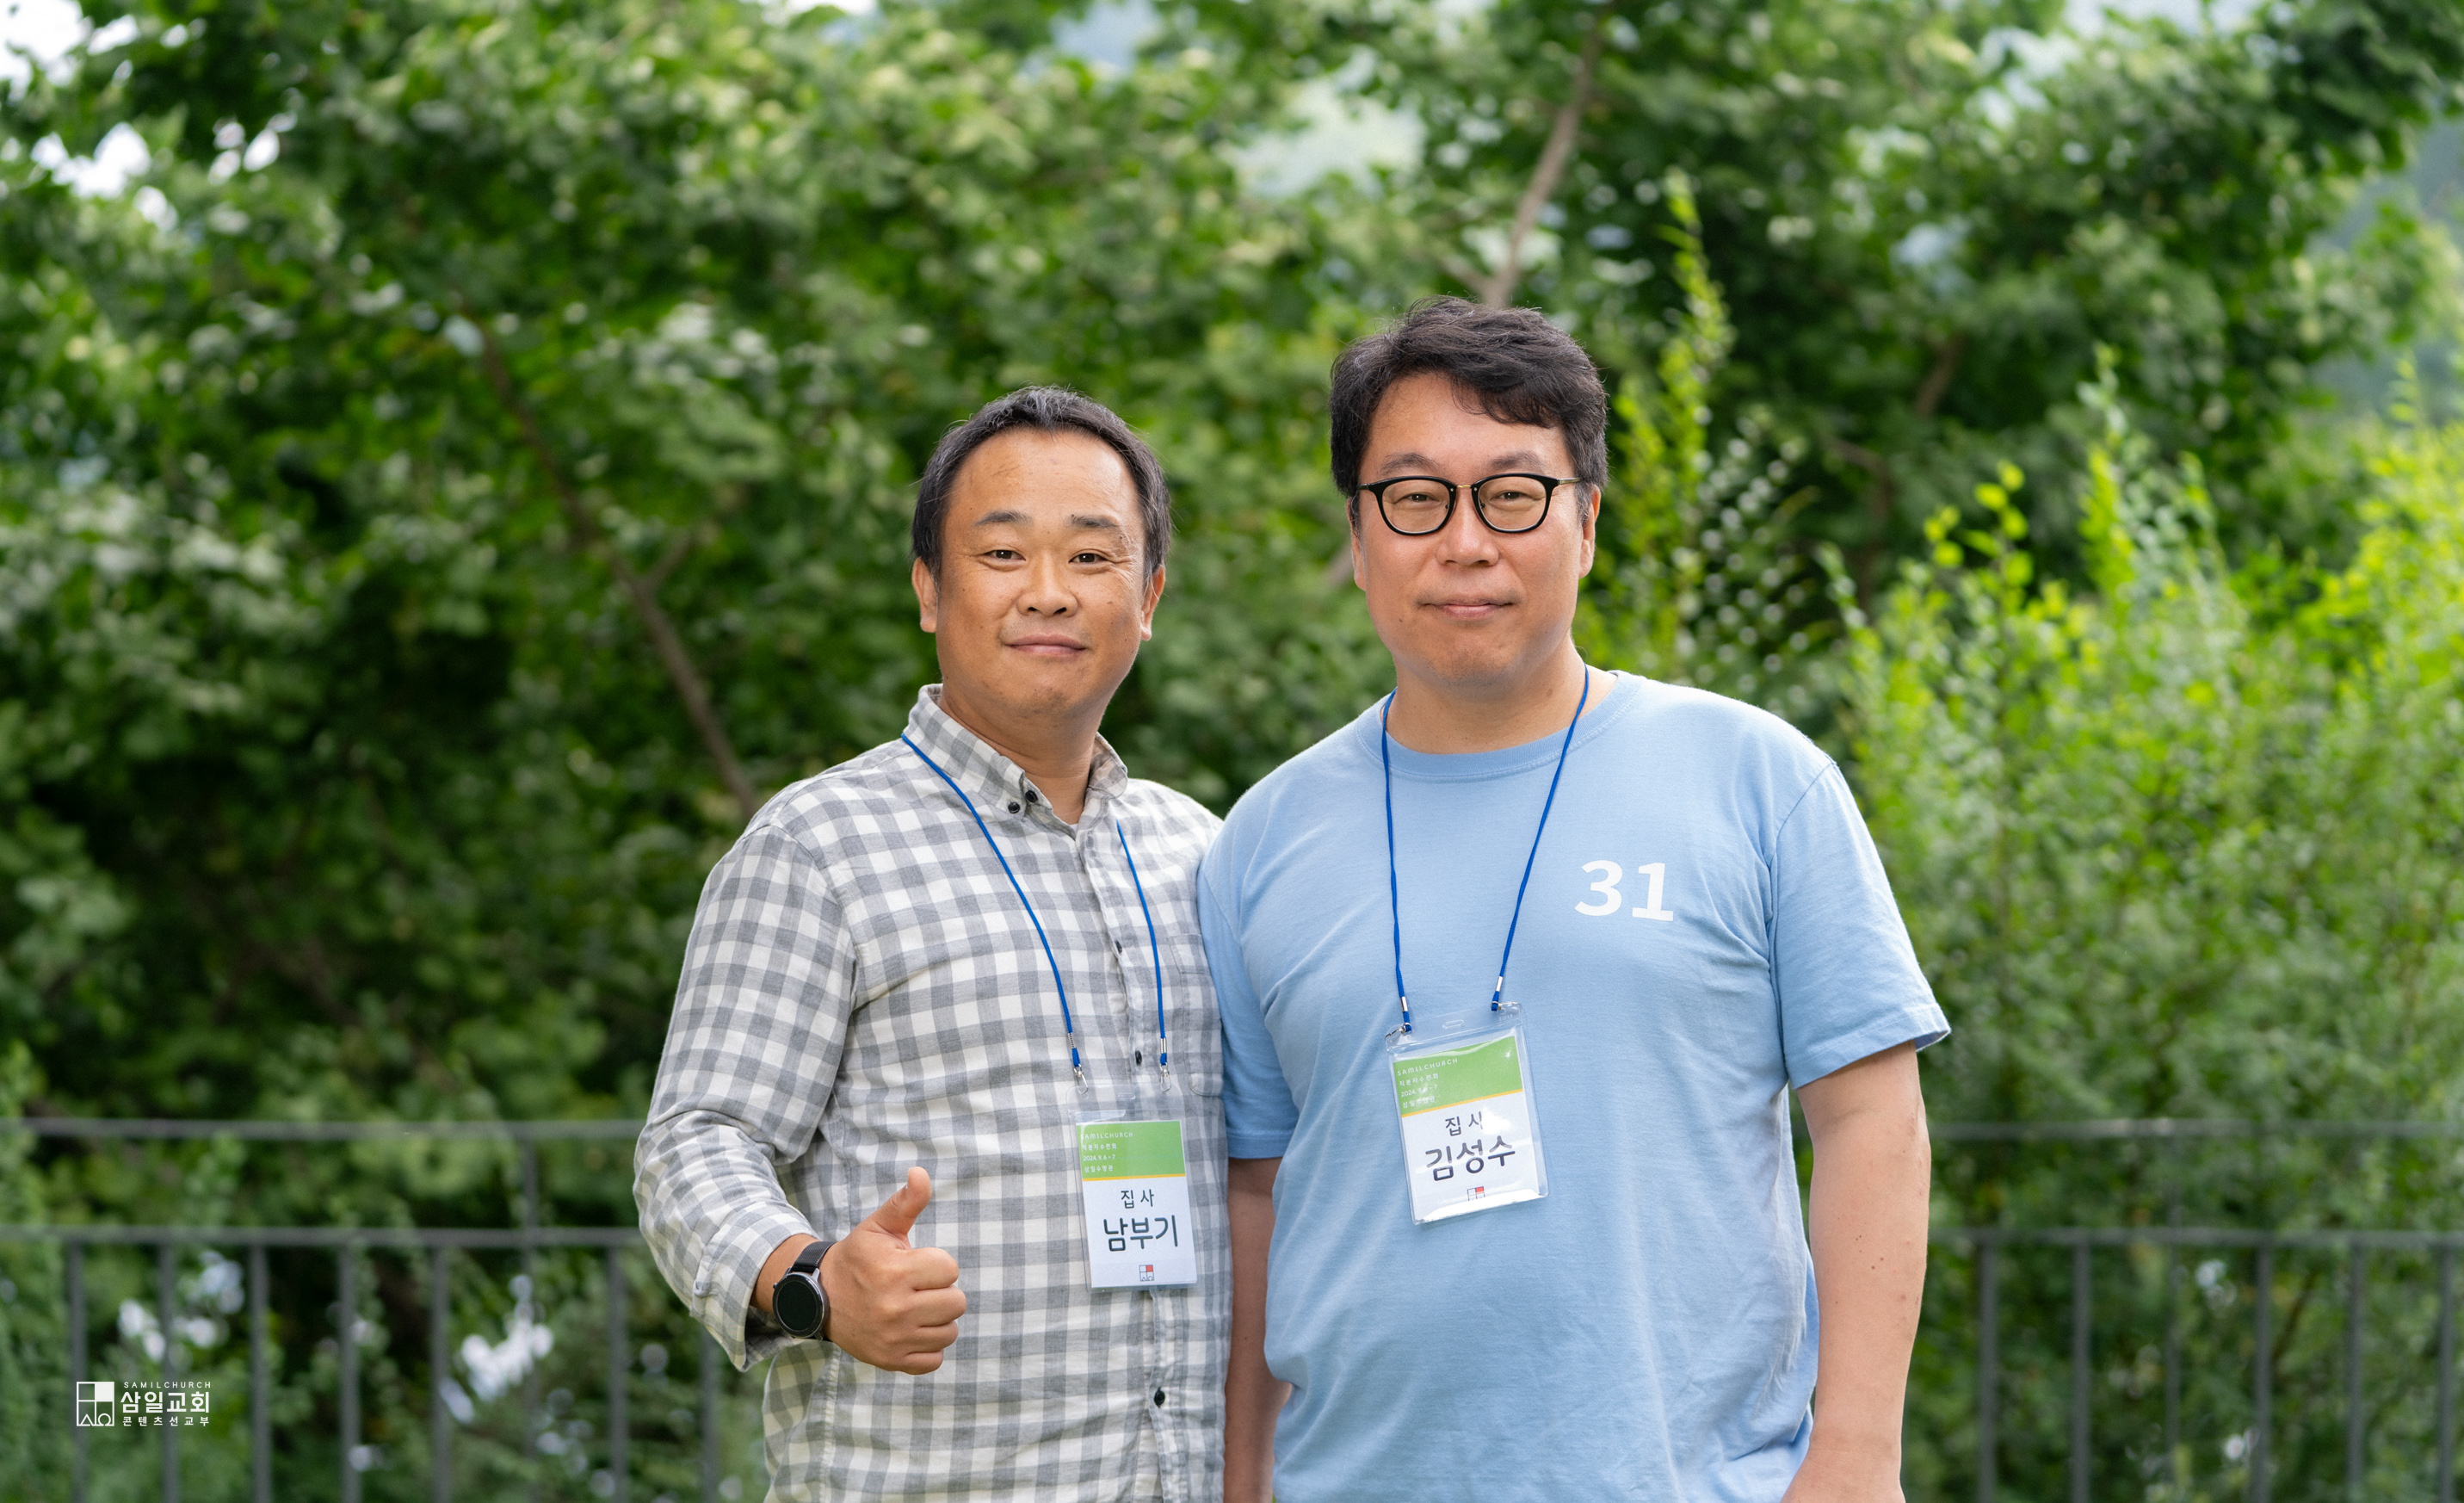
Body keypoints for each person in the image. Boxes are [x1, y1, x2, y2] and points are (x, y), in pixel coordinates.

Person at [1207, 300, 1947, 1502]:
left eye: (1513, 495)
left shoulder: (1758, 780)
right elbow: (1257, 1189)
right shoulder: (1261, 841)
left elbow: (1872, 1120)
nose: (1465, 542)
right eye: (1414, 498)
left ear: (1588, 521)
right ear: (1358, 532)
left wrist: (1857, 1457)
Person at [636, 387, 1226, 1501]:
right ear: (928, 590)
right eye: (1002, 553)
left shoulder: (1205, 855)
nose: (1048, 590)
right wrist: (813, 1281)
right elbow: (694, 1143)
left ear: (1148, 595)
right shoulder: (818, 848)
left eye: (1091, 555)